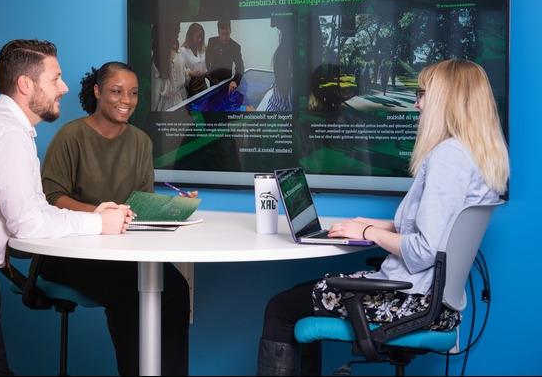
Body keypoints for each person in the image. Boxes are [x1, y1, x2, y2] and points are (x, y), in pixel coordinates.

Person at [256, 59, 509, 375]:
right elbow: (438, 228)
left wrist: (369, 235)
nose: (416, 104)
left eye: (422, 94)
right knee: (300, 299)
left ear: (446, 101)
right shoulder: (474, 156)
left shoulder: (448, 158)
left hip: (411, 300)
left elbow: (423, 251)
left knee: (281, 308)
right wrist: (377, 225)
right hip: (434, 302)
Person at [0, 39, 132, 376]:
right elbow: (28, 225)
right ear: (25, 85)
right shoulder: (6, 136)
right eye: (55, 78)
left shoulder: (3, 129)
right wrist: (99, 224)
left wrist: (95, 215)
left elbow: (35, 211)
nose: (65, 87)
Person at [40, 61, 194, 376]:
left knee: (175, 288)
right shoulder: (71, 137)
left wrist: (168, 208)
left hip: (123, 251)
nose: (126, 100)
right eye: (117, 91)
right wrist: (101, 214)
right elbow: (51, 199)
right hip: (70, 252)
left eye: (134, 93)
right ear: (97, 92)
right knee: (131, 290)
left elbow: (140, 202)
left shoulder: (140, 142)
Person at [151, 22, 189, 111]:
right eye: (177, 33)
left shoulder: (156, 59)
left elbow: (155, 98)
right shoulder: (177, 56)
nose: (177, 36)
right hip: (175, 103)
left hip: (167, 106)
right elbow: (183, 80)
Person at [205, 19, 244, 94]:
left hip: (227, 82)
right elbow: (207, 59)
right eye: (222, 34)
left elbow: (240, 67)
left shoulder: (235, 46)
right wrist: (209, 75)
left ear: (230, 31)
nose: (224, 37)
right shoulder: (212, 41)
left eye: (227, 34)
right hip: (213, 82)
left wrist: (235, 81)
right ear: (218, 32)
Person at [180, 22, 208, 97]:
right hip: (192, 88)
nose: (200, 39)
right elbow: (180, 71)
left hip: (203, 84)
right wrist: (190, 73)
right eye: (198, 36)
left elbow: (206, 66)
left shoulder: (202, 48)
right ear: (190, 36)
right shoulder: (183, 51)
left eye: (202, 37)